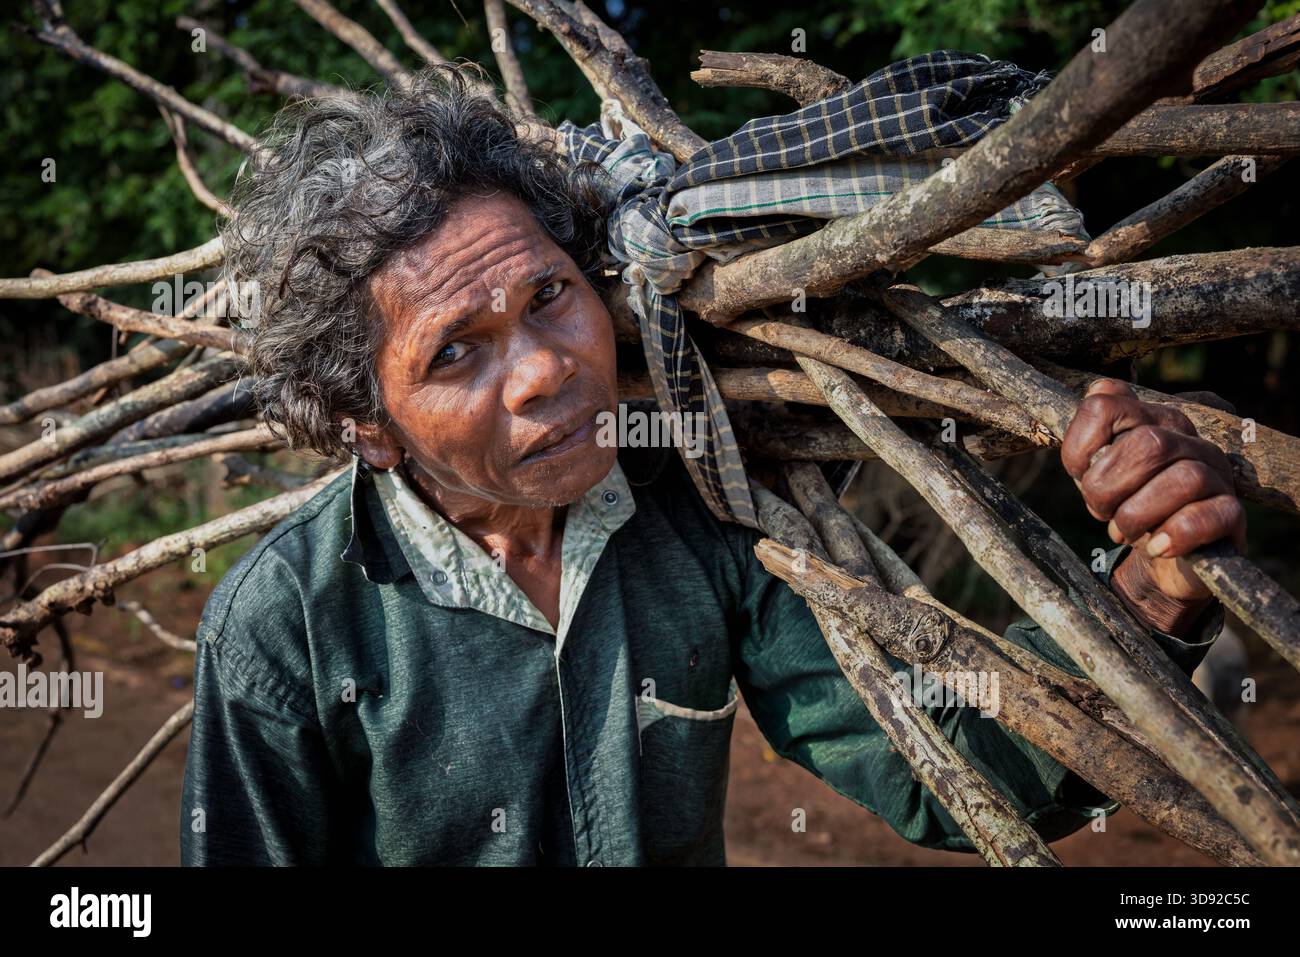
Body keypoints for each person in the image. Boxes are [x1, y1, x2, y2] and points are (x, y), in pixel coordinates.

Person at [180, 67, 1238, 866]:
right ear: (369, 426)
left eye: (549, 297)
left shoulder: (699, 514)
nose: (547, 371)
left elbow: (950, 760)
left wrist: (1154, 583)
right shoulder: (286, 625)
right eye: (454, 352)